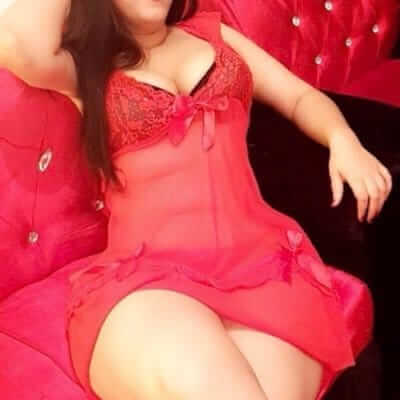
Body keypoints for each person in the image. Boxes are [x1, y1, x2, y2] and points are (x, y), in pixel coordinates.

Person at [0, 0, 392, 399]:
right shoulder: (86, 65)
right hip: (149, 278)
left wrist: (343, 139)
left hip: (263, 267)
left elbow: (298, 96)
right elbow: (15, 41)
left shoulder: (215, 35)